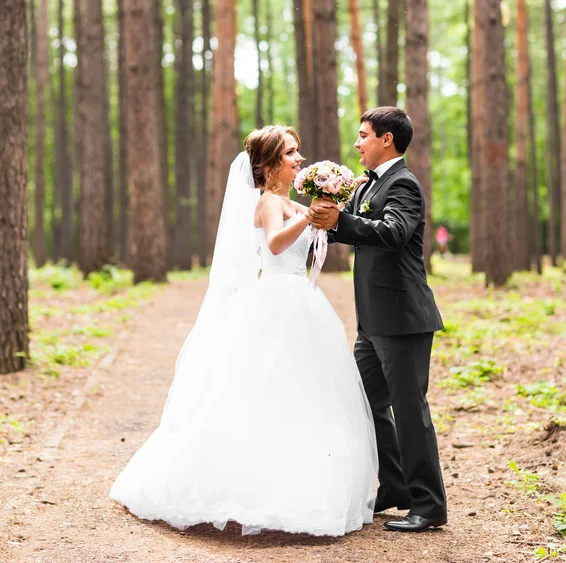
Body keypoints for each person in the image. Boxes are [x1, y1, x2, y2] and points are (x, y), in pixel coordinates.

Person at [110, 125, 378, 537]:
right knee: (265, 392)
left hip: (300, 300)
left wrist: (335, 196)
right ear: (270, 165)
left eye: (298, 152)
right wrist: (309, 215)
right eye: (291, 153)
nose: (299, 159)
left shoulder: (287, 200)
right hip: (278, 300)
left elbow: (313, 233)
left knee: (303, 395)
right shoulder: (270, 201)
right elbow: (273, 245)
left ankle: (301, 487)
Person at [309, 107, 447, 533]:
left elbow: (393, 232)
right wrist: (315, 219)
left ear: (387, 139)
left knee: (409, 411)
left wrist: (343, 220)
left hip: (403, 318)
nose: (357, 143)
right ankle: (396, 486)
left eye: (363, 135)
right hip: (372, 323)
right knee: (365, 402)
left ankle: (429, 504)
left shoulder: (403, 183)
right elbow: (344, 228)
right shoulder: (369, 184)